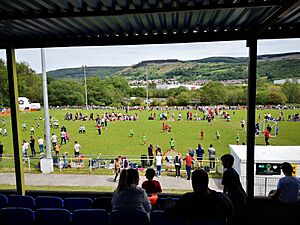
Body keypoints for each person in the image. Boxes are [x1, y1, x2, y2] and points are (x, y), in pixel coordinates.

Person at [221, 154, 247, 225]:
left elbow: (225, 188)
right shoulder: (234, 171)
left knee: (232, 217)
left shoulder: (227, 172)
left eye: (223, 161)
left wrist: (223, 198)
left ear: (228, 162)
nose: (222, 163)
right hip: (241, 196)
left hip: (235, 197)